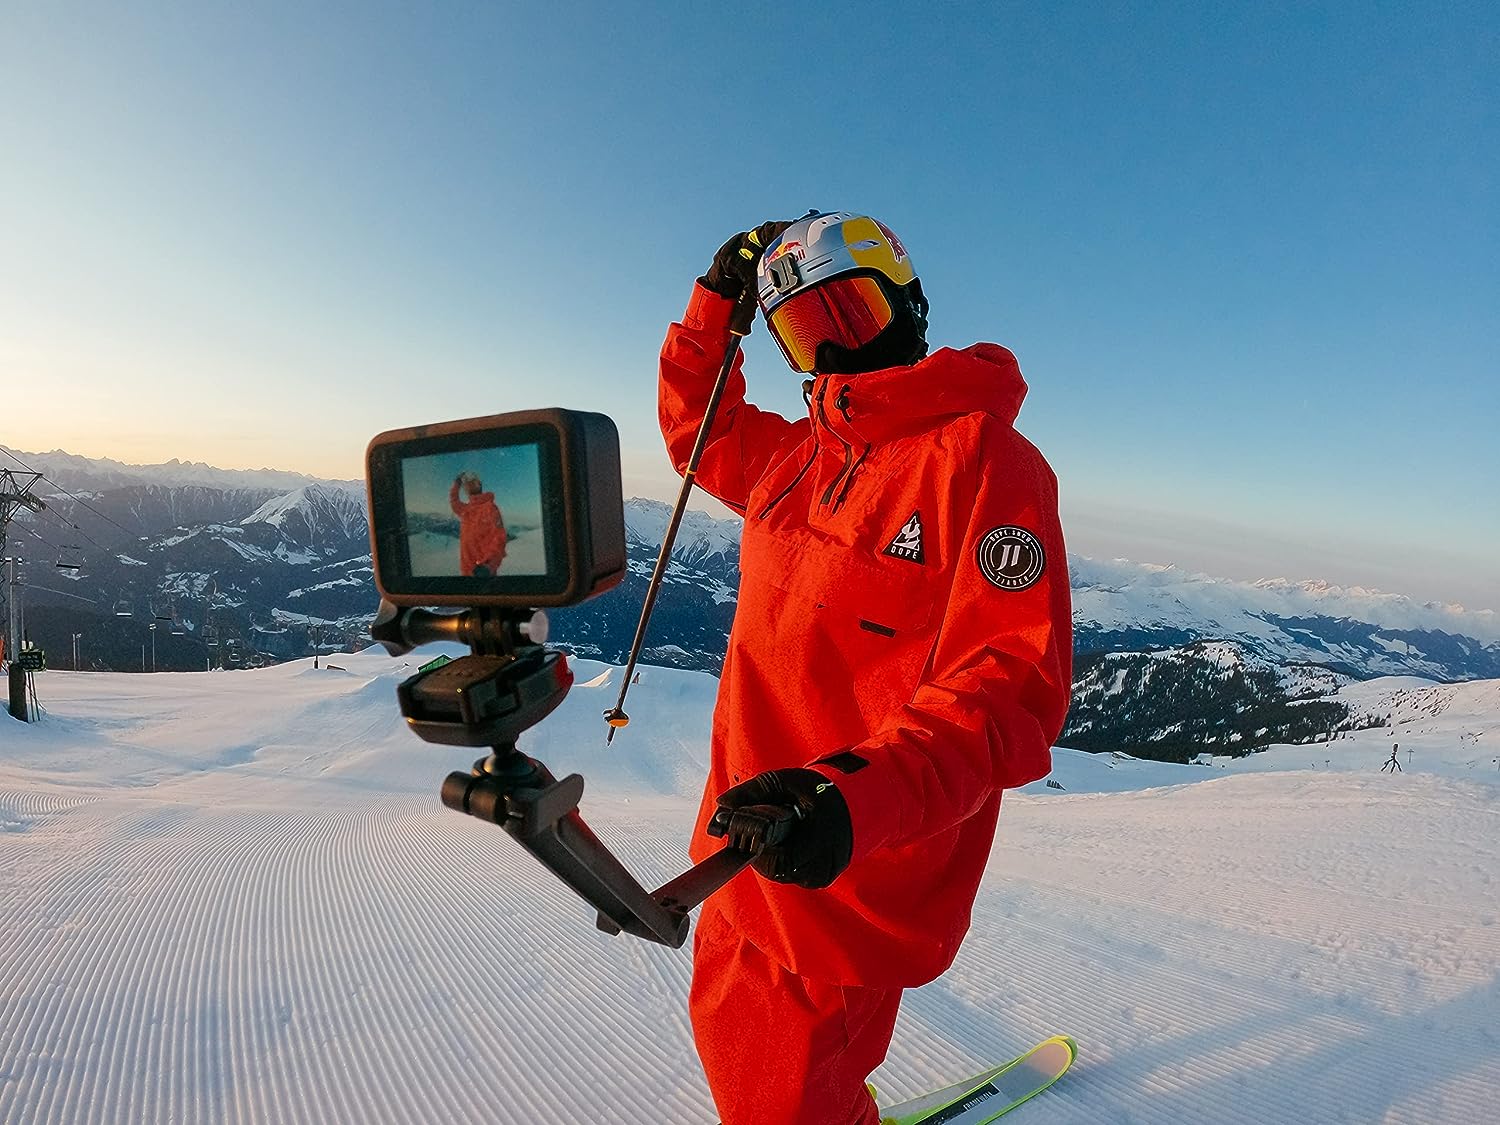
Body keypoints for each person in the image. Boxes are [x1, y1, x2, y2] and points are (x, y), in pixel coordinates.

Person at [658, 212, 1073, 1125]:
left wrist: (851, 799)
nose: (835, 351)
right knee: (741, 1059)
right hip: (737, 844)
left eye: (848, 311)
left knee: (779, 1101)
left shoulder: (985, 464)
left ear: (909, 301)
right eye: (805, 332)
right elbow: (698, 434)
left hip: (842, 869)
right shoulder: (794, 459)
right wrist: (714, 305)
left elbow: (1007, 691)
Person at [448, 472, 507, 576]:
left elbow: (499, 539)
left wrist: (488, 566)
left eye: (472, 482)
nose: (468, 485)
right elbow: (454, 502)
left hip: (482, 572)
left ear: (479, 484)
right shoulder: (466, 509)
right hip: (466, 571)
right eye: (466, 484)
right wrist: (456, 484)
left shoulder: (490, 508)